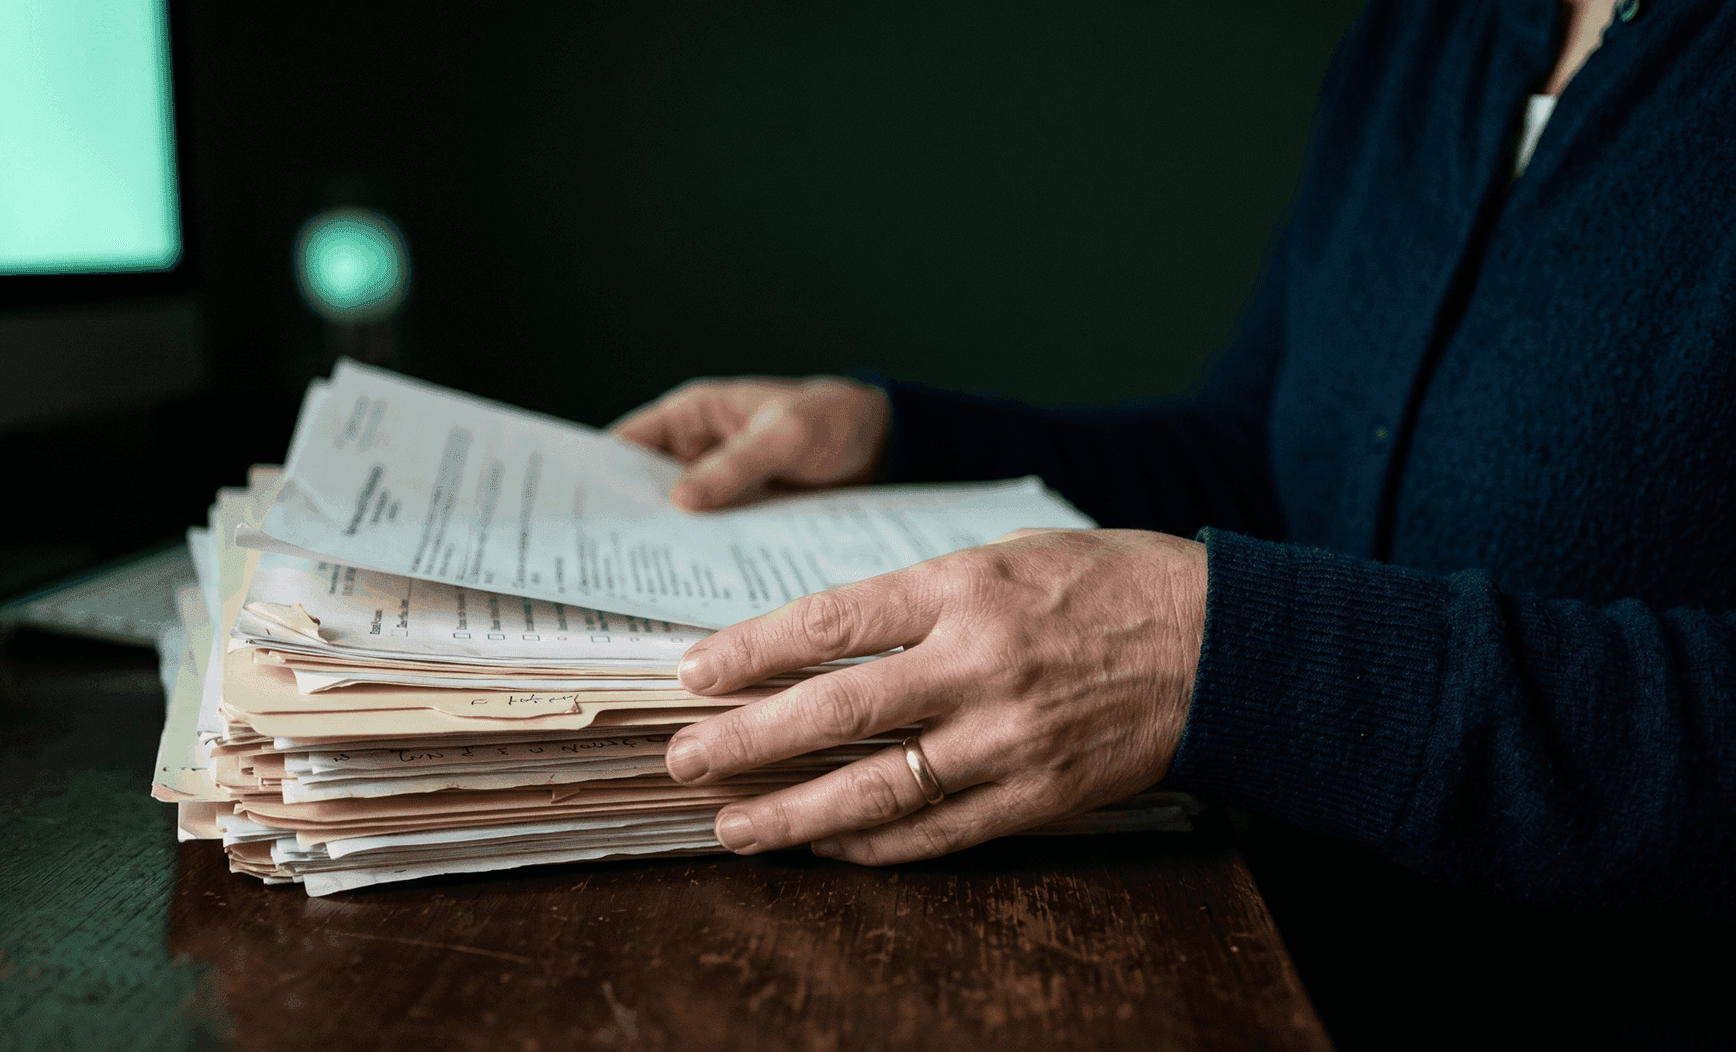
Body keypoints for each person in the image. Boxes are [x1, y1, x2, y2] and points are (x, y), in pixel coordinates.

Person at [612, 0, 1732, 936]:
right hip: (1281, 973)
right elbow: (1268, 466)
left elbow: (1239, 625)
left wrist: (1235, 662)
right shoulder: (1428, 29)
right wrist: (901, 447)